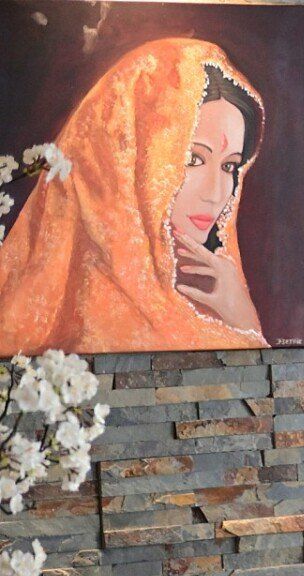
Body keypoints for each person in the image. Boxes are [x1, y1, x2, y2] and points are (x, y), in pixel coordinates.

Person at [0, 40, 269, 353]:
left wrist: (242, 315)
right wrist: (245, 325)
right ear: (123, 161)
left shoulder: (214, 293)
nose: (215, 194)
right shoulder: (92, 318)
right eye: (193, 159)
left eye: (229, 166)